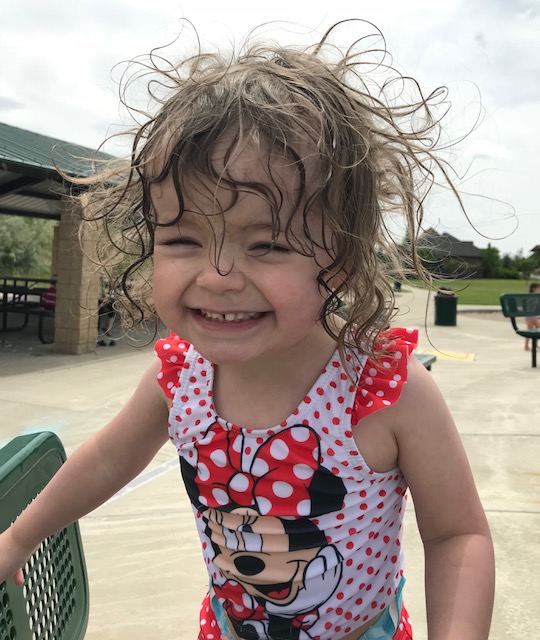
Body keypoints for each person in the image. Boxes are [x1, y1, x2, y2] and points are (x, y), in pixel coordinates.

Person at [0, 21, 495, 640]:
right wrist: (16, 539)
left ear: (341, 258)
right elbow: (105, 461)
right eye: (182, 239)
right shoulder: (178, 379)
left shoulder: (383, 390)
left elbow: (458, 535)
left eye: (267, 244)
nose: (217, 277)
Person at [524, 283, 540, 351]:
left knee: (537, 330)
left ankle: (535, 344)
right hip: (530, 317)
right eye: (539, 289)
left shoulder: (536, 297)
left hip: (534, 316)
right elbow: (530, 309)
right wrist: (534, 318)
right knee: (530, 331)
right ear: (533, 289)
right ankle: (526, 346)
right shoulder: (531, 298)